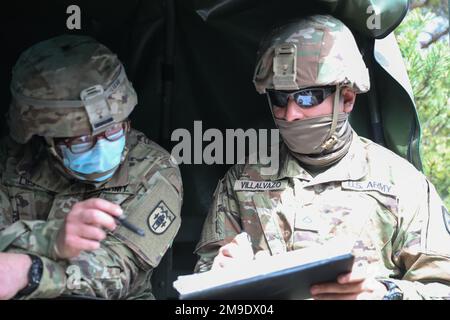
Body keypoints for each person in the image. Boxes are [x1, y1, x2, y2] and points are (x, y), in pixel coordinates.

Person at [194, 15, 450, 300]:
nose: (291, 114)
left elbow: (442, 289)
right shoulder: (242, 182)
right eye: (280, 98)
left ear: (348, 99)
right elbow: (203, 286)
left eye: (308, 98)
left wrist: (385, 294)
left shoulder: (403, 185)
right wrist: (220, 280)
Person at [0, 35, 183, 300]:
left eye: (112, 129)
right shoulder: (10, 160)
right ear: (46, 139)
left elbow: (117, 272)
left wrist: (32, 272)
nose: (102, 147)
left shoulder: (153, 170)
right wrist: (47, 239)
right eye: (81, 140)